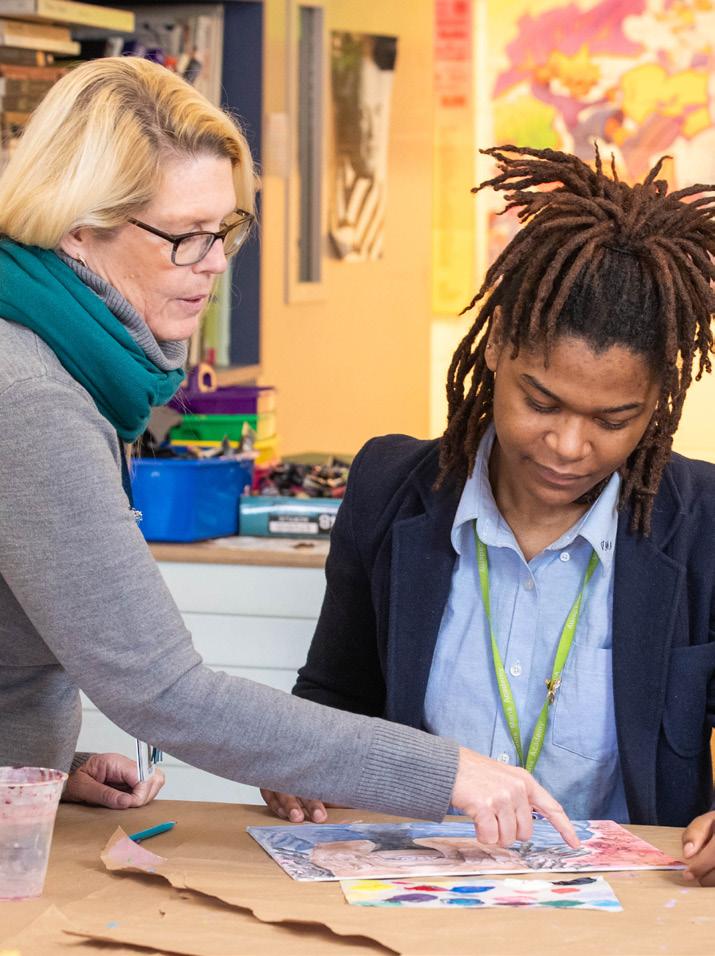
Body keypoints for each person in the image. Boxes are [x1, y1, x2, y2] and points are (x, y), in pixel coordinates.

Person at [0, 59, 578, 848]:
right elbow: (163, 691)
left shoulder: (51, 359)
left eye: (224, 231)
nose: (214, 262)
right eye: (185, 237)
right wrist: (447, 773)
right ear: (77, 226)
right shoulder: (31, 394)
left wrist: (46, 765)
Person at [262, 146, 715, 886]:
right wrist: (301, 767)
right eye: (541, 402)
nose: (568, 446)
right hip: (418, 891)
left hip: (634, 908)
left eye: (613, 419)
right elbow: (333, 697)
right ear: (498, 342)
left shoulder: (702, 523)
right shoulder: (388, 489)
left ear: (658, 399)